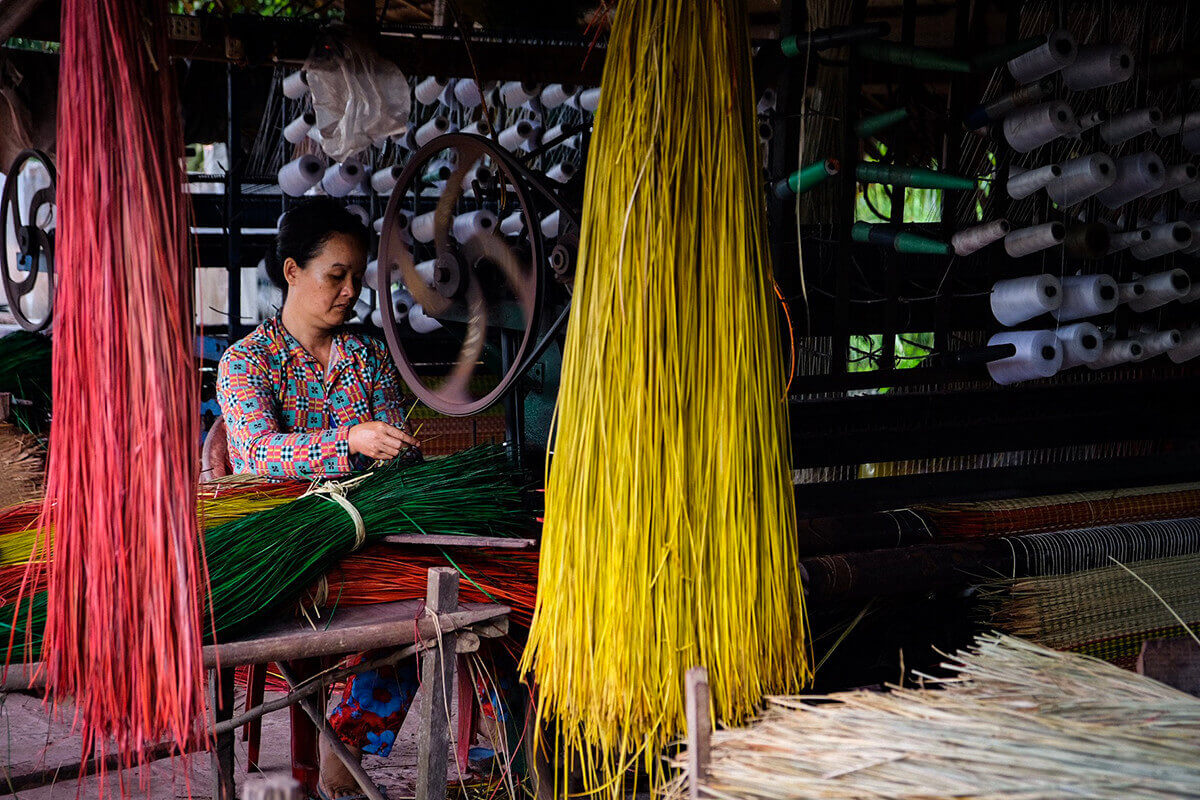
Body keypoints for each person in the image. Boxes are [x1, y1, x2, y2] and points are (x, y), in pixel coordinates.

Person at [216, 197, 420, 800]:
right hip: (288, 548)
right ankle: (343, 755)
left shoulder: (367, 356)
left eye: (358, 277)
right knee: (407, 605)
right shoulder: (246, 363)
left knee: (437, 602)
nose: (351, 290)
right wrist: (349, 441)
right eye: (337, 275)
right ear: (291, 271)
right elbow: (256, 454)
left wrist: (398, 452)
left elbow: (396, 448)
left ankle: (350, 744)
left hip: (369, 532)